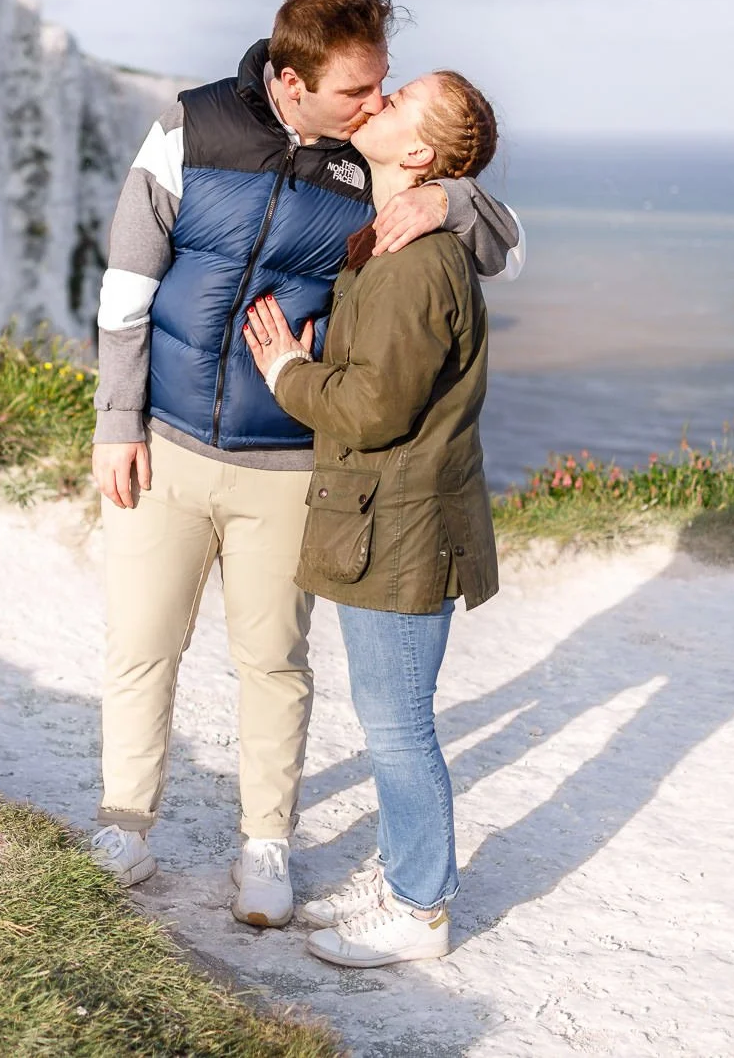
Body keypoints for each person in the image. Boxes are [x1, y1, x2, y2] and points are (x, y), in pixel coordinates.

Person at [86, 0, 525, 928]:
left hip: (289, 461)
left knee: (274, 661)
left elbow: (506, 245)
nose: (373, 103)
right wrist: (116, 420)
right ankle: (124, 824)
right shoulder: (192, 127)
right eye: (357, 90)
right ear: (292, 81)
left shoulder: (370, 166)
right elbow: (127, 283)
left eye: (384, 86)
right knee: (142, 642)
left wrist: (450, 202)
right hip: (164, 443)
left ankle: (265, 846)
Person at [239, 69, 501, 967]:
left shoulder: (415, 263)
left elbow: (374, 408)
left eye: (399, 102)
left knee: (398, 727)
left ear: (420, 153)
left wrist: (288, 373)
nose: (378, 101)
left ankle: (421, 907)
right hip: (389, 519)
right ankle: (400, 877)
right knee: (393, 715)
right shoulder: (396, 238)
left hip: (400, 528)